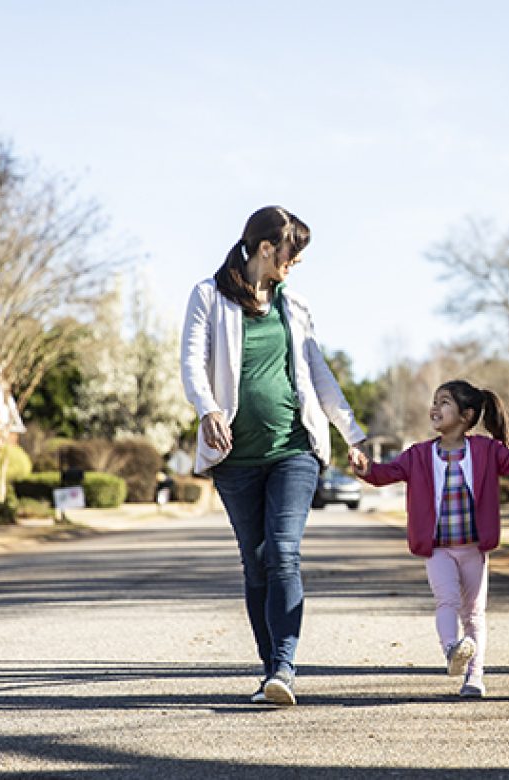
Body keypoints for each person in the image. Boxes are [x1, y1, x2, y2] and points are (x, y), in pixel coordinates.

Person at [181, 205, 367, 707]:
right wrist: (208, 409)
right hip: (234, 457)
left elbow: (318, 373)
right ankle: (271, 673)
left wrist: (352, 432)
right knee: (255, 561)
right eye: (293, 252)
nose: (296, 262)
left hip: (293, 448)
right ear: (267, 248)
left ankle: (284, 664)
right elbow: (192, 362)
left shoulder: (295, 306)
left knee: (282, 551)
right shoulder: (208, 296)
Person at [349, 380, 509, 697]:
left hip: (474, 549)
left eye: (444, 402)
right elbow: (385, 474)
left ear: (466, 415)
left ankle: (474, 677)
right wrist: (366, 468)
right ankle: (452, 651)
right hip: (438, 549)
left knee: (473, 614)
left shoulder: (485, 450)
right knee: (446, 602)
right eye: (434, 401)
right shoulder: (418, 455)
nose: (434, 407)